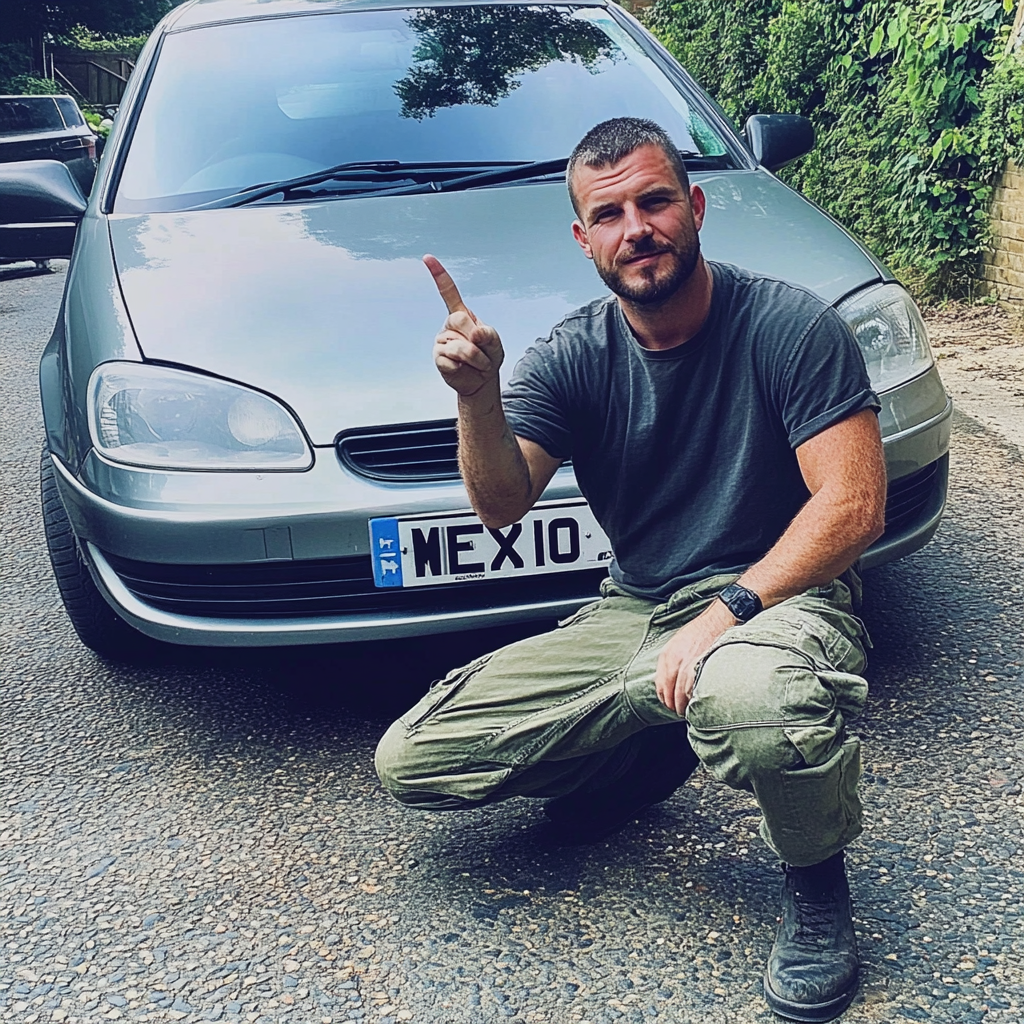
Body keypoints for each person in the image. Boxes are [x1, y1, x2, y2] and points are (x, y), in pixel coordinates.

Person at [375, 117, 886, 1023]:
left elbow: (851, 507)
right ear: (585, 240)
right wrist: (477, 397)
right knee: (413, 760)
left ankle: (817, 892)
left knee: (757, 706)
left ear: (693, 208)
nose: (636, 228)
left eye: (655, 201)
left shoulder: (789, 325)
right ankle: (647, 746)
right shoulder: (574, 355)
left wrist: (728, 610)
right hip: (639, 606)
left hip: (780, 596)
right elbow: (500, 506)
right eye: (608, 214)